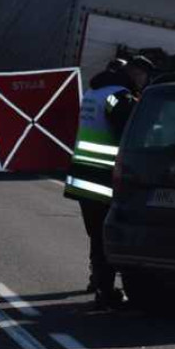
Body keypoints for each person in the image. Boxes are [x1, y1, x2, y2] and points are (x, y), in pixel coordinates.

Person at [64, 55, 153, 309]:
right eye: (144, 76)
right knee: (107, 233)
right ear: (136, 74)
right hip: (103, 175)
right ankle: (105, 290)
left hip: (82, 174)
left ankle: (97, 280)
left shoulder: (94, 92)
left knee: (95, 232)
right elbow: (129, 130)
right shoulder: (118, 95)